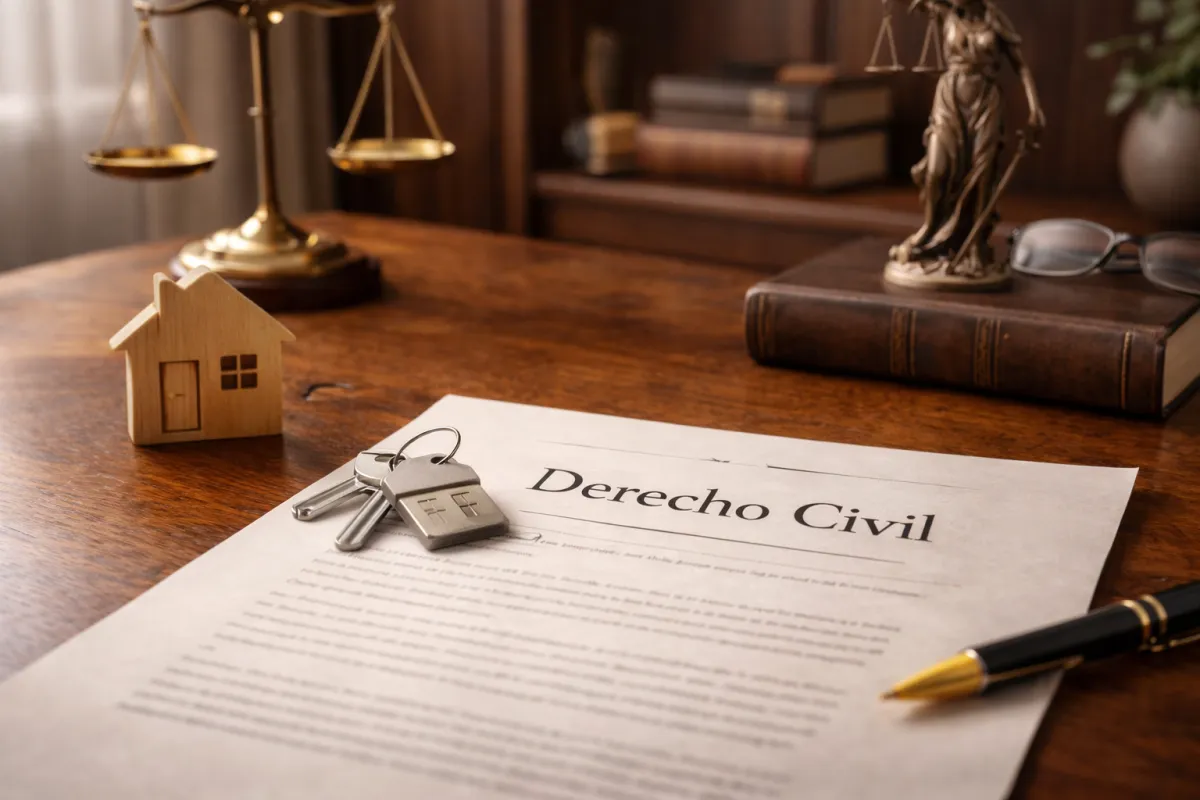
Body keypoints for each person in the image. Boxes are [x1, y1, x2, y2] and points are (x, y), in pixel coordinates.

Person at [889, 0, 1045, 283]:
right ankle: (929, 230)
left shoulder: (996, 22)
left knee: (982, 173)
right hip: (949, 98)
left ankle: (975, 245)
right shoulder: (944, 12)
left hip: (986, 100)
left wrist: (1035, 108)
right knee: (936, 171)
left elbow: (1020, 66)